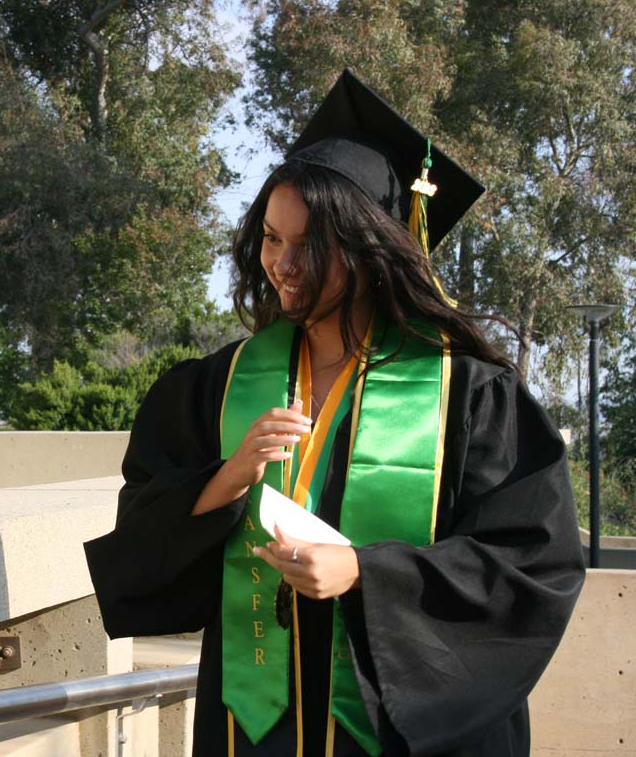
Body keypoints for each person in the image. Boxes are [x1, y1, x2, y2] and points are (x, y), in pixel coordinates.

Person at [83, 70, 585, 757]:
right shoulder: (218, 386)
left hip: (400, 728)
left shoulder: (467, 394)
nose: (281, 265)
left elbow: (531, 564)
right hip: (255, 727)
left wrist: (366, 574)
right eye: (270, 238)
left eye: (307, 245)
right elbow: (143, 534)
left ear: (369, 250)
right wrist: (228, 478)